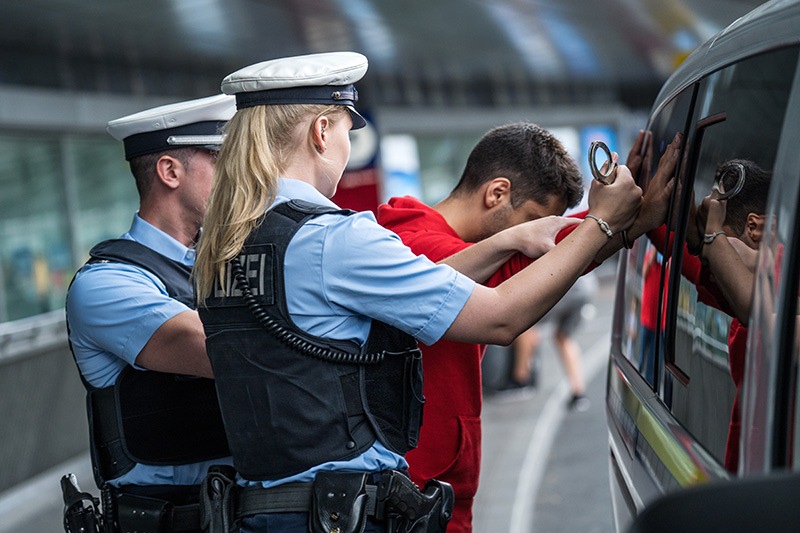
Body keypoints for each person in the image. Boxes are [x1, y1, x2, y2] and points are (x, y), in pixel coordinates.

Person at [193, 51, 643, 533]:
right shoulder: (333, 240)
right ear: (321, 131)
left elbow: (419, 282)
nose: (348, 145)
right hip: (339, 513)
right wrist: (602, 222)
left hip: (261, 510)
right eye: (349, 130)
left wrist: (510, 238)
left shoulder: (226, 243)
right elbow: (499, 318)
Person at [377, 123, 681, 530]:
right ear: (497, 193)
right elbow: (526, 275)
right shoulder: (413, 242)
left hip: (429, 492)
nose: (538, 237)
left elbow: (544, 257)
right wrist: (619, 221)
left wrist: (619, 218)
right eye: (534, 222)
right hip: (416, 497)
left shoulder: (433, 241)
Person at [65, 94, 236, 532]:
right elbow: (225, 350)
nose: (237, 176)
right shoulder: (105, 285)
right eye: (220, 160)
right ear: (170, 171)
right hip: (170, 516)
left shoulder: (222, 267)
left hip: (241, 508)